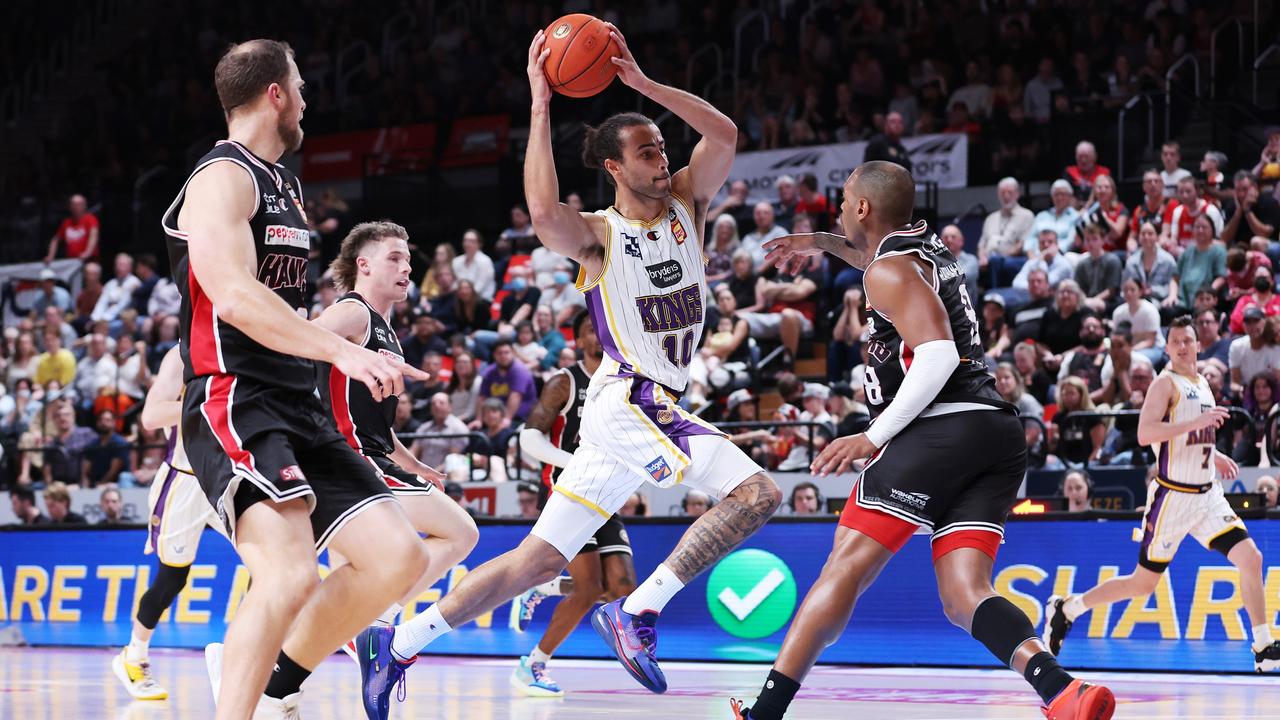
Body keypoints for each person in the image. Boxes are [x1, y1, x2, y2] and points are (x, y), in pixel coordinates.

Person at [359, 29, 782, 714]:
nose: (660, 155)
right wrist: (538, 104)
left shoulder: (686, 203)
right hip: (631, 399)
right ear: (614, 167)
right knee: (757, 494)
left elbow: (725, 132)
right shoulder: (597, 234)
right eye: (645, 150)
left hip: (633, 409)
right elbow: (541, 213)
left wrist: (643, 86)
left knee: (539, 562)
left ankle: (398, 643)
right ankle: (638, 614)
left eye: (661, 147)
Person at [732, 161, 1112, 720]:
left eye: (843, 199)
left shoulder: (886, 272)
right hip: (995, 434)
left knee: (845, 568)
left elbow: (937, 353)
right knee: (965, 595)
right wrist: (819, 241)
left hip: (940, 430)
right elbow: (876, 257)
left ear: (863, 208)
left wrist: (872, 435)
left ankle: (765, 713)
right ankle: (1060, 690)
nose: (838, 206)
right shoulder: (924, 245)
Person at [161, 39, 431, 720]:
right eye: (301, 87)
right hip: (234, 398)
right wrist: (340, 354)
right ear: (275, 93)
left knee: (398, 558)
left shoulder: (285, 184)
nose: (308, 99)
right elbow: (230, 295)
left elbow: (286, 310)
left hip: (294, 401)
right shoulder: (221, 176)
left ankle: (272, 679)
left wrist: (352, 346)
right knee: (285, 575)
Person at [1043, 317, 1280, 674]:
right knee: (1143, 584)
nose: (1183, 346)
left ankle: (1263, 646)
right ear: (1167, 348)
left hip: (1208, 495)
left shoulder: (1202, 383)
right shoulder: (1164, 384)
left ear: (1199, 344)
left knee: (1251, 558)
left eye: (1188, 340)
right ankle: (1068, 608)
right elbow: (1146, 433)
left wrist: (1214, 454)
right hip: (1172, 499)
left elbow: (1188, 437)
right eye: (1176, 342)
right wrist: (1195, 425)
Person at [314, 222, 481, 674]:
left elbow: (378, 425)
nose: (407, 267)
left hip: (367, 456)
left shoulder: (385, 328)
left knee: (338, 588)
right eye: (394, 258)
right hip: (350, 461)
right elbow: (306, 338)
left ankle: (246, 662)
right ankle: (379, 620)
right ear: (363, 265)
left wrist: (414, 464)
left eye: (408, 259)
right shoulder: (353, 313)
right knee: (461, 533)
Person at [510, 310, 638, 697]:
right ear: (578, 340)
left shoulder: (623, 384)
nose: (598, 338)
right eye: (590, 331)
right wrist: (575, 463)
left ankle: (545, 590)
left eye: (604, 331)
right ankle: (532, 664)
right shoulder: (564, 382)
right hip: (568, 492)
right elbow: (528, 439)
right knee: (587, 590)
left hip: (605, 494)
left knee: (621, 588)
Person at [112, 345, 220, 701]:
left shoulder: (249, 341)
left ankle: (239, 657)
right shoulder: (182, 355)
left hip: (230, 477)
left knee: (272, 565)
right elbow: (152, 416)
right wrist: (215, 403)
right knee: (173, 576)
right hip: (185, 481)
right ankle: (134, 655)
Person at [44, 193, 100, 262]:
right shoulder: (66, 223)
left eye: (79, 204)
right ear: (70, 206)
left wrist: (88, 252)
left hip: (89, 260)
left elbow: (93, 235)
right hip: (72, 261)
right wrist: (50, 256)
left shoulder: (90, 219)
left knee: (90, 269)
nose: (76, 207)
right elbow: (55, 240)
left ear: (84, 205)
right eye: (74, 204)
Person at [451, 229, 496, 300]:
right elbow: (455, 283)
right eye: (465, 240)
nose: (467, 244)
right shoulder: (456, 261)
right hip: (460, 299)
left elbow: (480, 286)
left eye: (471, 241)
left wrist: (464, 295)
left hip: (482, 299)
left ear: (479, 244)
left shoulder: (485, 261)